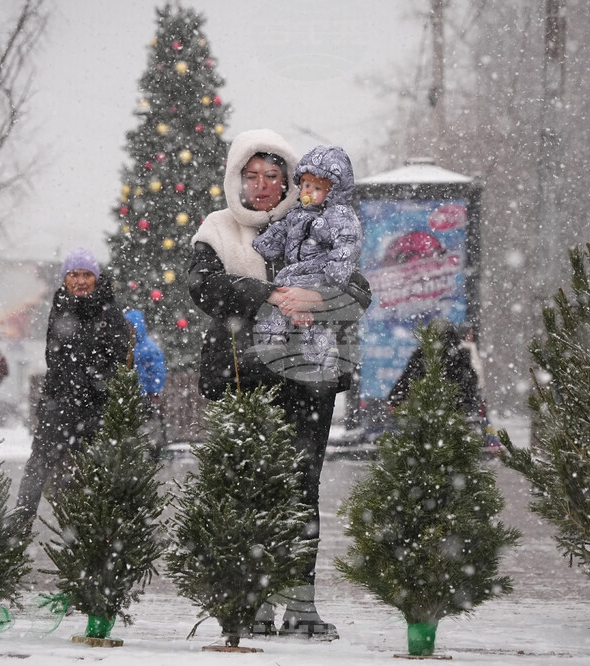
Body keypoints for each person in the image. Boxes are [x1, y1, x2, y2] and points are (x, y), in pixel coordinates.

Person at [189, 128, 372, 639]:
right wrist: (268, 294)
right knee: (247, 490)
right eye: (252, 176)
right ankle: (252, 602)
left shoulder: (321, 220)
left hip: (309, 379)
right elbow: (203, 286)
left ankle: (300, 604)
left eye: (273, 175)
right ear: (236, 179)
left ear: (289, 180)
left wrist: (314, 301)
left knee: (300, 490)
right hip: (242, 378)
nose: (263, 185)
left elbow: (358, 289)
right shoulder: (219, 229)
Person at [16, 248, 131, 528]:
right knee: (39, 462)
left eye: (86, 274)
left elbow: (117, 358)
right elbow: (53, 357)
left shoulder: (109, 310)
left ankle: (98, 531)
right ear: (65, 279)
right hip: (60, 401)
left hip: (97, 405)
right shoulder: (59, 306)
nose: (80, 281)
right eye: (74, 274)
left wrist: (90, 375)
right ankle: (21, 519)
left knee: (96, 472)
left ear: (96, 277)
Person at [251, 145, 362, 377]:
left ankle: (323, 352)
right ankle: (275, 338)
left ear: (332, 191)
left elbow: (347, 243)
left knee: (314, 319)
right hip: (294, 272)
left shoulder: (338, 216)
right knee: (285, 299)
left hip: (318, 272)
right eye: (306, 185)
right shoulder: (297, 213)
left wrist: (335, 274)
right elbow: (282, 231)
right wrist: (266, 243)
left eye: (317, 187)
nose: (308, 191)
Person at [123, 309, 167, 458]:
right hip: (130, 393)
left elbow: (157, 371)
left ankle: (152, 452)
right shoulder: (127, 345)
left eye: (131, 325)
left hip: (144, 395)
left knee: (148, 425)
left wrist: (154, 391)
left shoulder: (148, 347)